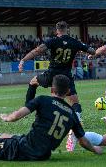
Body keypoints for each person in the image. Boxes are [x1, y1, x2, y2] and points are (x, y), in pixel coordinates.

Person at [0, 75, 102, 160]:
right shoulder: (71, 113)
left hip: (25, 149)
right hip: (44, 153)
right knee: (5, 136)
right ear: (68, 91)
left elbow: (16, 117)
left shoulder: (43, 99)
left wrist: (6, 117)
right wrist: (95, 149)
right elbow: (82, 141)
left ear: (52, 89)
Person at [18, 21, 95, 151]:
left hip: (51, 74)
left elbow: (37, 50)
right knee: (74, 102)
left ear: (56, 30)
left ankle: (27, 108)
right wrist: (91, 53)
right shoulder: (74, 42)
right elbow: (91, 50)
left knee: (33, 82)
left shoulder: (52, 41)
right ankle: (76, 127)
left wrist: (23, 60)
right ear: (67, 29)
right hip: (65, 77)